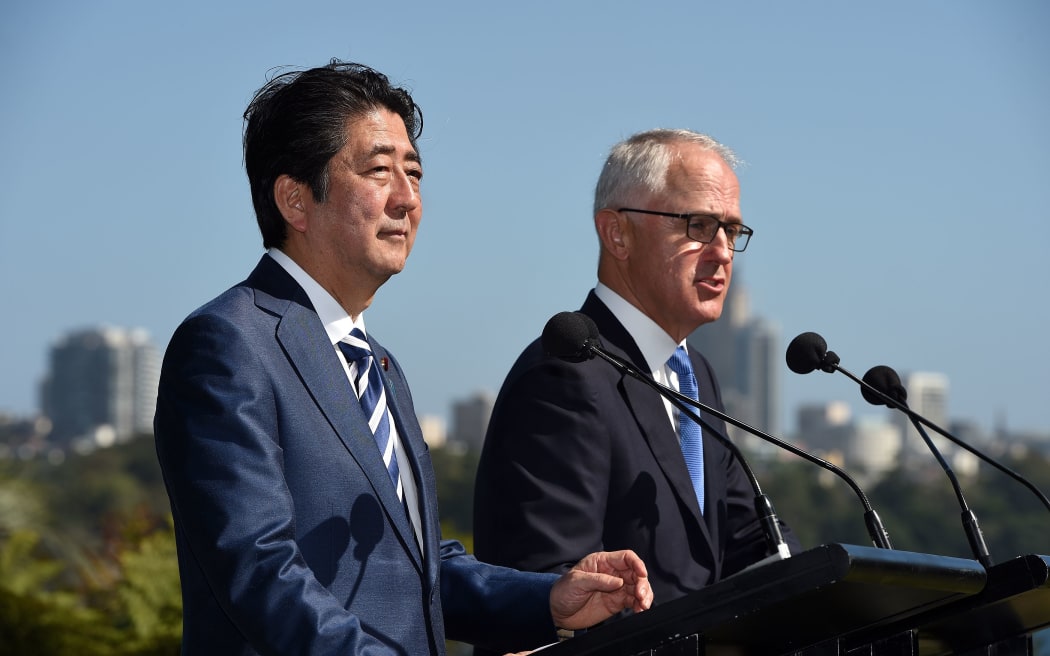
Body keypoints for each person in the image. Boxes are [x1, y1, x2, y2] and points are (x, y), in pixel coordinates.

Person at [153, 60, 651, 656]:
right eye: (379, 171)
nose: (408, 199)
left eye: (414, 173)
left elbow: (419, 568)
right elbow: (258, 571)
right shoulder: (228, 344)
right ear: (294, 198)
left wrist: (549, 599)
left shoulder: (379, 365)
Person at [473, 129, 800, 610]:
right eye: (699, 225)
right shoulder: (566, 375)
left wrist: (842, 581)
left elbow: (746, 536)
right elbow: (546, 583)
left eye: (731, 230)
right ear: (617, 233)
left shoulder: (696, 375)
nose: (723, 252)